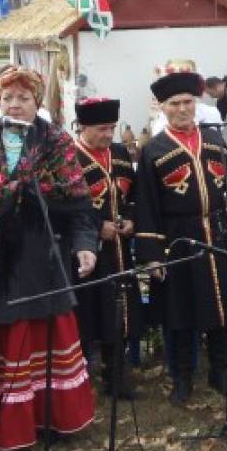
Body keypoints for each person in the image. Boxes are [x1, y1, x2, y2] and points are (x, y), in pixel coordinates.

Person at [0, 66, 97, 451]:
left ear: (37, 102)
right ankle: (12, 425)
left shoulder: (55, 142)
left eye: (23, 98)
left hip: (43, 254)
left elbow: (79, 203)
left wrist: (84, 243)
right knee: (9, 339)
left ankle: (55, 418)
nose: (15, 104)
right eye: (8, 97)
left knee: (46, 337)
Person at [134, 70, 227, 405]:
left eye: (188, 102)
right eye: (175, 104)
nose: (183, 109)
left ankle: (220, 372)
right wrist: (152, 253)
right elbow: (146, 206)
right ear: (162, 108)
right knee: (179, 311)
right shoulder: (153, 150)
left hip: (217, 234)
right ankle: (181, 377)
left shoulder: (214, 140)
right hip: (177, 239)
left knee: (223, 306)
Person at [72, 97, 139, 399]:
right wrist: (98, 226)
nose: (108, 135)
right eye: (101, 129)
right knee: (89, 312)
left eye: (112, 127)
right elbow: (66, 205)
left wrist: (130, 220)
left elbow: (135, 196)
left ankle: (117, 375)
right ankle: (83, 376)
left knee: (119, 310)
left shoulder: (121, 154)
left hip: (120, 252)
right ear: (82, 127)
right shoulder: (70, 158)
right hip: (87, 252)